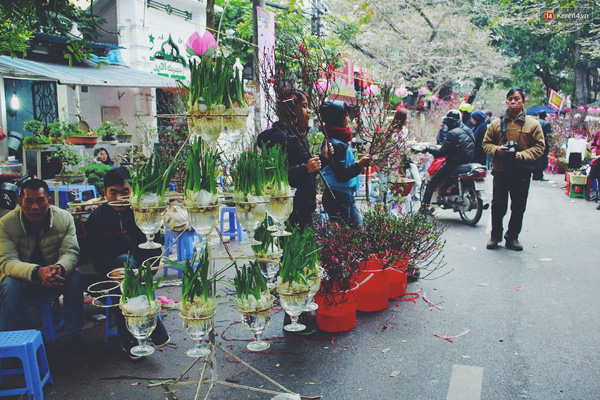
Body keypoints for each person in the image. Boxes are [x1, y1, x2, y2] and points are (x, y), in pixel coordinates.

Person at [85, 167, 170, 359]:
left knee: (128, 267)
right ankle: (148, 326)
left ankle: (131, 337)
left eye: (125, 192)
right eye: (113, 192)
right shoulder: (96, 218)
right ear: (104, 193)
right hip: (111, 272)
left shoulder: (144, 213)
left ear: (133, 192)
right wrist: (111, 270)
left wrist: (144, 270)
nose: (119, 197)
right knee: (123, 266)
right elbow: (95, 253)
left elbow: (155, 248)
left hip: (141, 270)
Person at [0, 179, 84, 352]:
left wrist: (59, 268)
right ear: (20, 202)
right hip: (25, 279)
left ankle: (74, 336)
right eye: (29, 201)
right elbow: (7, 262)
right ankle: (14, 344)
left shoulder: (64, 218)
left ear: (49, 201)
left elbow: (71, 252)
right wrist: (37, 272)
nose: (35, 207)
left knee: (74, 277)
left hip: (55, 276)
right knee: (8, 283)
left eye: (40, 200)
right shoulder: (6, 224)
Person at [257, 89, 330, 228]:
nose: (308, 111)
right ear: (290, 109)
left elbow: (307, 172)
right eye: (304, 106)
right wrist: (305, 168)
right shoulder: (279, 138)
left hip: (304, 210)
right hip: (289, 213)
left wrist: (324, 158)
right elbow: (274, 177)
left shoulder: (297, 136)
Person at [482, 88, 545, 251]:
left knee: (518, 207)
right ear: (506, 101)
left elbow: (540, 147)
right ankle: (495, 236)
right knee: (498, 205)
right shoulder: (496, 123)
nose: (513, 102)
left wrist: (522, 155)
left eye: (516, 99)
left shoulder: (533, 124)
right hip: (500, 171)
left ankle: (512, 238)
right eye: (510, 99)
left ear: (523, 102)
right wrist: (497, 150)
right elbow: (486, 144)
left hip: (521, 171)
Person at [319, 100, 371, 227]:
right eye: (346, 116)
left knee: (355, 233)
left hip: (343, 195)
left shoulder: (336, 140)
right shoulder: (335, 144)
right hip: (339, 197)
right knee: (349, 236)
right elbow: (341, 174)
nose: (348, 119)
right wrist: (359, 165)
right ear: (338, 118)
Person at [421, 110, 474, 210]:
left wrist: (427, 149)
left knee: (431, 184)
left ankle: (424, 209)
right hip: (466, 162)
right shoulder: (469, 130)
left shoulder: (453, 133)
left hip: (453, 164)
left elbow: (441, 152)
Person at [533, 111, 552, 181]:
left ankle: (535, 174)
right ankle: (539, 175)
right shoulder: (546, 124)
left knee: (535, 159)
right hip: (543, 144)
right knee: (541, 159)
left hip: (534, 143)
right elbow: (548, 135)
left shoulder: (535, 122)